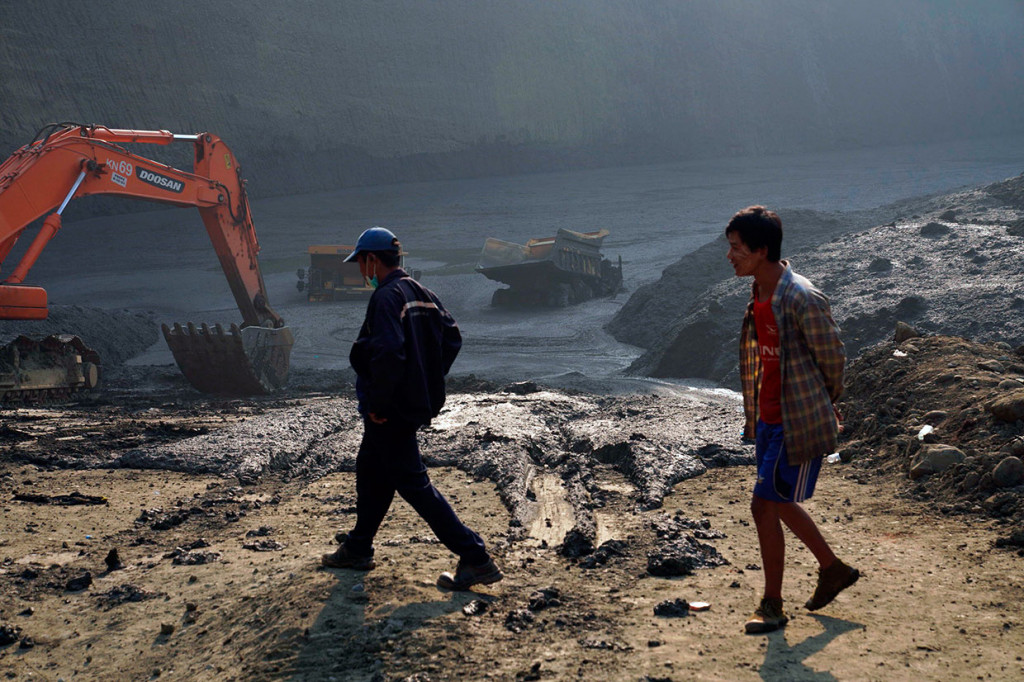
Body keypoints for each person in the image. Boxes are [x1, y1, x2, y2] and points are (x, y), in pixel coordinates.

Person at [321, 226, 503, 591]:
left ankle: (476, 558)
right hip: (407, 405)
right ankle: (358, 547)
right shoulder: (422, 293)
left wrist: (379, 402)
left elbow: (388, 352)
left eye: (360, 262)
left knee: (414, 484)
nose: (360, 270)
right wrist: (426, 379)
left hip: (390, 411)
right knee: (371, 472)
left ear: (372, 259)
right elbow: (452, 337)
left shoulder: (386, 297)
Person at [725, 206, 859, 634]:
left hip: (792, 420)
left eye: (737, 248)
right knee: (777, 501)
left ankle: (773, 605)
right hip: (766, 419)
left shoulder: (800, 296)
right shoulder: (759, 294)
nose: (730, 256)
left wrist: (823, 404)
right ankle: (832, 568)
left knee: (765, 503)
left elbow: (834, 359)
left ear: (761, 250)